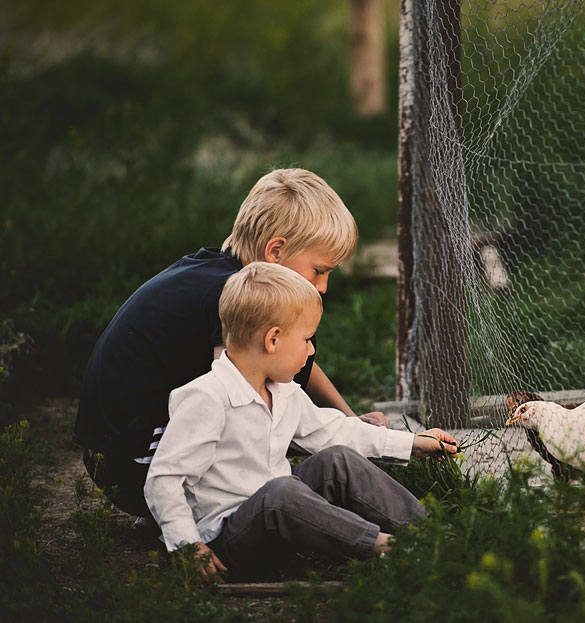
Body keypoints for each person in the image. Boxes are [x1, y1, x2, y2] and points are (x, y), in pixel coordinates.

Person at [73, 168, 389, 519]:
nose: (323, 287)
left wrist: (349, 422)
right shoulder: (229, 294)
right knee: (273, 460)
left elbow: (295, 363)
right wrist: (338, 438)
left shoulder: (223, 271)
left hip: (119, 455)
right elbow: (241, 409)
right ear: (276, 251)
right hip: (136, 465)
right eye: (319, 271)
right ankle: (218, 524)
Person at [144, 262, 458, 577]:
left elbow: (337, 431)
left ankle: (438, 534)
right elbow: (164, 478)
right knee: (280, 493)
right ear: (273, 340)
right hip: (230, 542)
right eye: (307, 339)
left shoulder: (284, 391)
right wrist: (187, 544)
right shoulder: (207, 398)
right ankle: (390, 547)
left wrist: (412, 443)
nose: (310, 351)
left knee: (337, 459)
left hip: (283, 518)